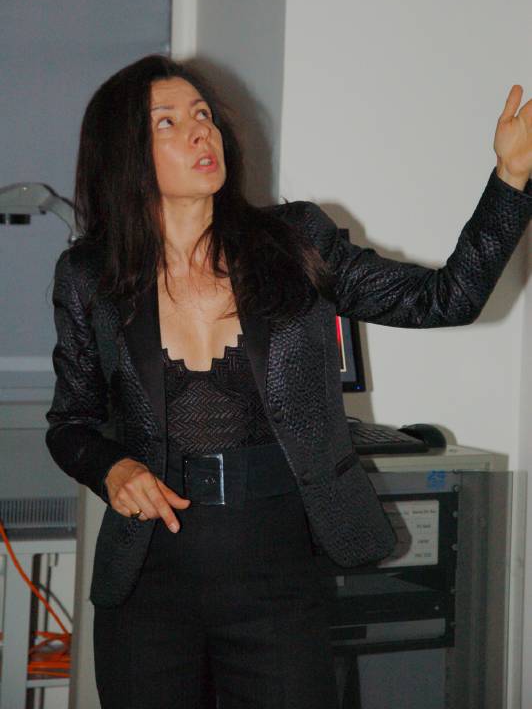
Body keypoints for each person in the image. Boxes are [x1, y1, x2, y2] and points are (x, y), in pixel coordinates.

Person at [46, 54, 532, 709]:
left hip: (275, 576)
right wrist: (112, 469)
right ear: (122, 155)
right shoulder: (89, 277)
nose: (200, 130)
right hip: (147, 583)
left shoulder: (295, 240)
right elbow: (70, 425)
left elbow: (447, 298)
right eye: (168, 121)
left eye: (202, 114)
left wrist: (510, 178)